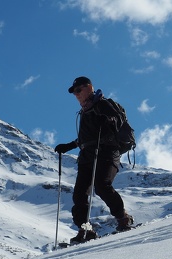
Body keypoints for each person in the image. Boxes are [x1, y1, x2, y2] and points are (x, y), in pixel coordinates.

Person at [55, 76, 133, 244]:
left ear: (89, 87)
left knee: (102, 186)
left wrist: (109, 120)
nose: (76, 95)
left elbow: (118, 119)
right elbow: (85, 137)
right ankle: (86, 230)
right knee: (79, 195)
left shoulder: (104, 104)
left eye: (78, 90)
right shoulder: (84, 112)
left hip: (107, 152)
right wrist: (68, 146)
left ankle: (123, 218)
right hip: (87, 156)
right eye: (74, 92)